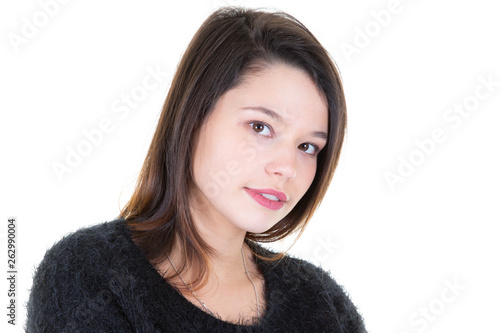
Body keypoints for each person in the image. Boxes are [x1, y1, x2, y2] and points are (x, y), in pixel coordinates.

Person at [27, 6, 366, 332]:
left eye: (307, 146)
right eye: (260, 127)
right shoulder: (88, 275)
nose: (286, 167)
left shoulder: (323, 304)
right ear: (193, 116)